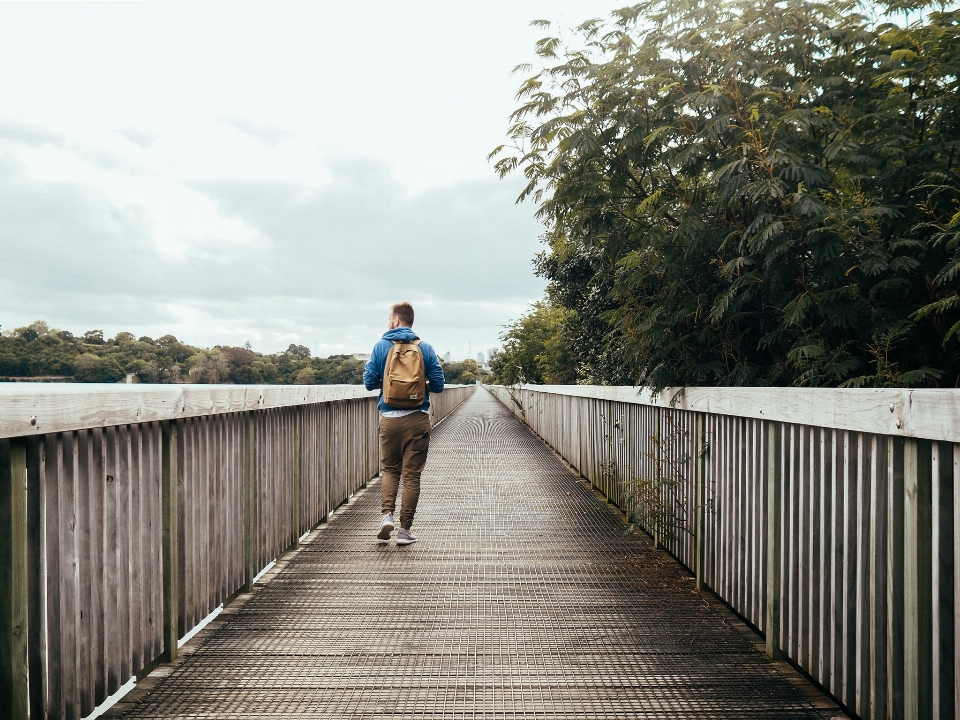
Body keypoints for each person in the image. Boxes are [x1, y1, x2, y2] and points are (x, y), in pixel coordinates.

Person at [363, 302, 444, 545]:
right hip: (417, 419)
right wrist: (417, 387)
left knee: (390, 470)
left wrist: (389, 386)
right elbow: (439, 385)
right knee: (411, 476)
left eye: (390, 318)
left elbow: (368, 382)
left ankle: (386, 515)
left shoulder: (381, 346)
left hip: (389, 419)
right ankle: (404, 530)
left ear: (396, 320)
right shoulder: (425, 349)